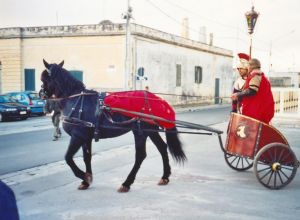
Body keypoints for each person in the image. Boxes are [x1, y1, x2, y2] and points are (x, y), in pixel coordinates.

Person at [232, 58, 275, 124]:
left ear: (250, 66)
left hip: (256, 113)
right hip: (260, 112)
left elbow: (252, 90)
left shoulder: (255, 76)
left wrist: (238, 94)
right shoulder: (263, 78)